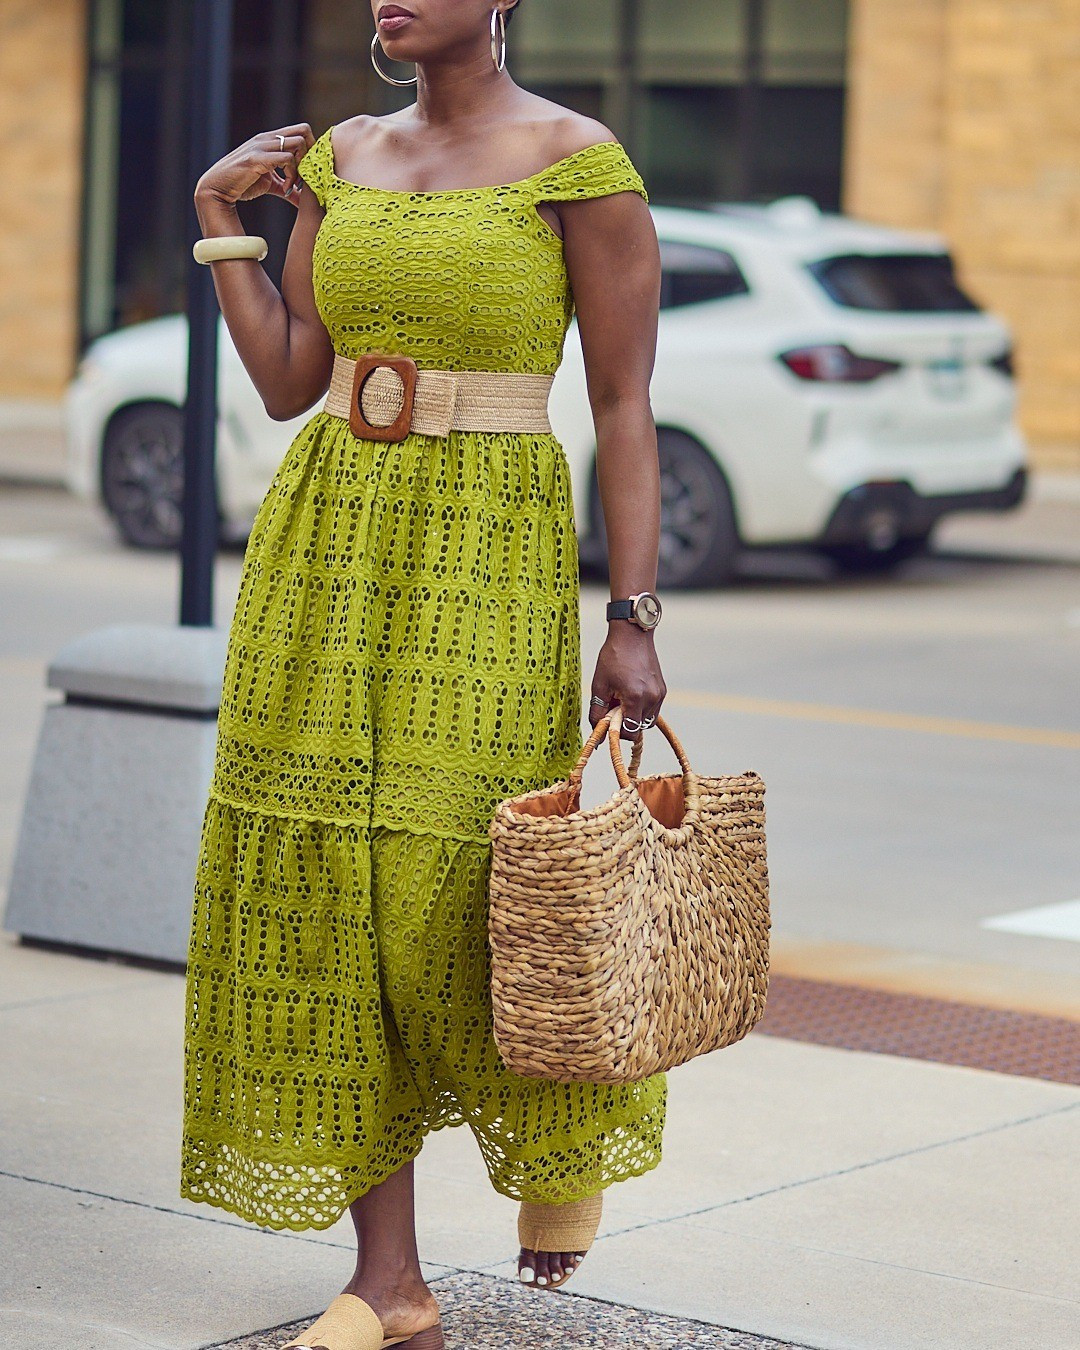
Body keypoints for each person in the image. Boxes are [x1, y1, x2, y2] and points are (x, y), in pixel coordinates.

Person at [180, 2, 668, 1346]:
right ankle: (384, 1278)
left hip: (490, 539)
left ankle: (559, 1158)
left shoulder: (582, 164)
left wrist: (633, 613)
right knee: (330, 886)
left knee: (470, 881)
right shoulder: (339, 159)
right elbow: (290, 378)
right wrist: (223, 219)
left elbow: (626, 405)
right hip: (326, 541)